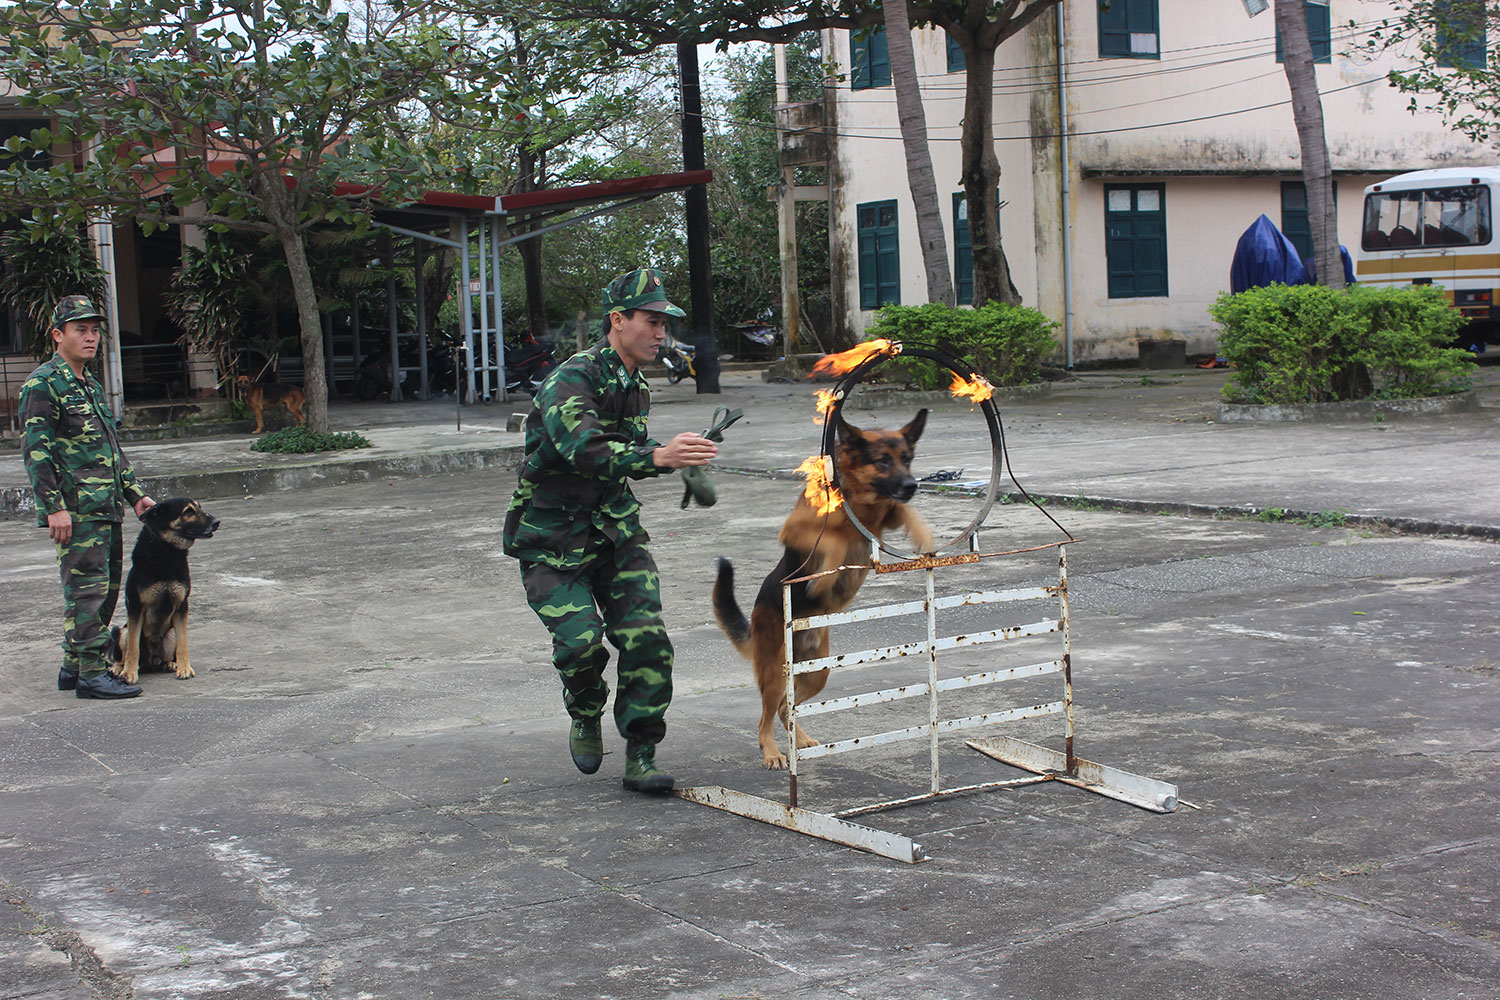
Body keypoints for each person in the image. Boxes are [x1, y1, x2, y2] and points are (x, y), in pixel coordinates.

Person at [503, 268, 717, 793]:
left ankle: (641, 755)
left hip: (617, 534)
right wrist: (659, 457)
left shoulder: (634, 384)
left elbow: (627, 454)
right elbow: (586, 449)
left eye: (665, 323)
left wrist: (680, 459)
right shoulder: (571, 379)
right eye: (651, 321)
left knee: (648, 642)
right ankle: (585, 712)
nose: (661, 333)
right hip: (553, 538)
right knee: (581, 645)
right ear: (618, 321)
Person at [20, 295, 155, 699]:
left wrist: (134, 494)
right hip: (76, 511)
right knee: (87, 593)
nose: (91, 337)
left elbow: (110, 448)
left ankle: (72, 665)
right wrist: (54, 508)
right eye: (81, 329)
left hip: (105, 507)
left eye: (95, 329)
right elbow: (36, 452)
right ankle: (93, 675)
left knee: (104, 588)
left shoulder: (89, 383)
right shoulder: (42, 384)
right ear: (58, 335)